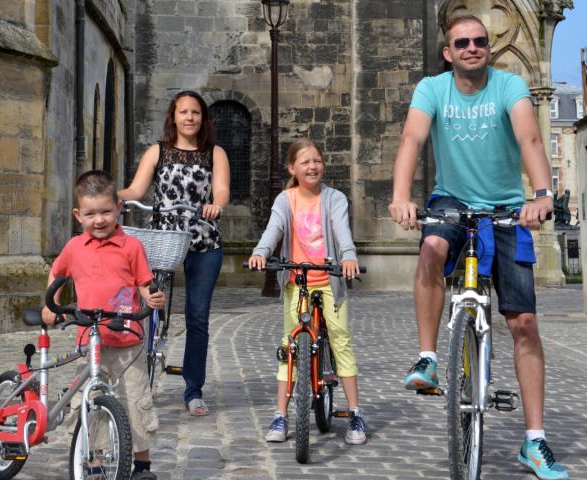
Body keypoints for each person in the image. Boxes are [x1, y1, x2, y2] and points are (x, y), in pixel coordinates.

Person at [388, 15, 568, 480]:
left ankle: (534, 441)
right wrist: (401, 196)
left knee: (524, 323)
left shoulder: (509, 87)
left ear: (489, 48)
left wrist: (543, 195)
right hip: (452, 199)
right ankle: (428, 357)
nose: (472, 48)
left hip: (507, 207)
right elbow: (412, 138)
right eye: (461, 42)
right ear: (448, 52)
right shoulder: (433, 88)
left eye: (479, 41)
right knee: (431, 245)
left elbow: (529, 138)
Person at [42, 170, 166, 480]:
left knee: (136, 401)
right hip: (92, 340)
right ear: (78, 215)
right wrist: (50, 303)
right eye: (90, 214)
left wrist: (152, 299)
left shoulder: (131, 246)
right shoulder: (74, 248)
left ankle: (142, 464)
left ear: (119, 209)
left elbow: (143, 282)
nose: (99, 220)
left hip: (129, 339)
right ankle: (94, 460)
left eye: (106, 212)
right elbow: (57, 275)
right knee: (93, 400)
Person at [247, 138, 367, 445]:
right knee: (290, 345)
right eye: (305, 162)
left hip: (329, 280)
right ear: (292, 168)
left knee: (340, 339)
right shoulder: (285, 200)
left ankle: (355, 413)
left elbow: (341, 230)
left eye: (317, 160)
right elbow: (274, 229)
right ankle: (280, 415)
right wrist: (261, 252)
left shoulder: (335, 198)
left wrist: (349, 256)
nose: (312, 166)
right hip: (297, 280)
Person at [119, 90, 230, 416]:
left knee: (197, 317)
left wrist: (216, 205)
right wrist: (111, 197)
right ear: (174, 117)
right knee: (144, 310)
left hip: (203, 242)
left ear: (202, 118)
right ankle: (139, 380)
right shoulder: (158, 151)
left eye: (195, 112)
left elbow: (222, 189)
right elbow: (137, 190)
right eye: (184, 112)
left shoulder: (215, 153)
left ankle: (193, 389)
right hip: (163, 241)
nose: (190, 118)